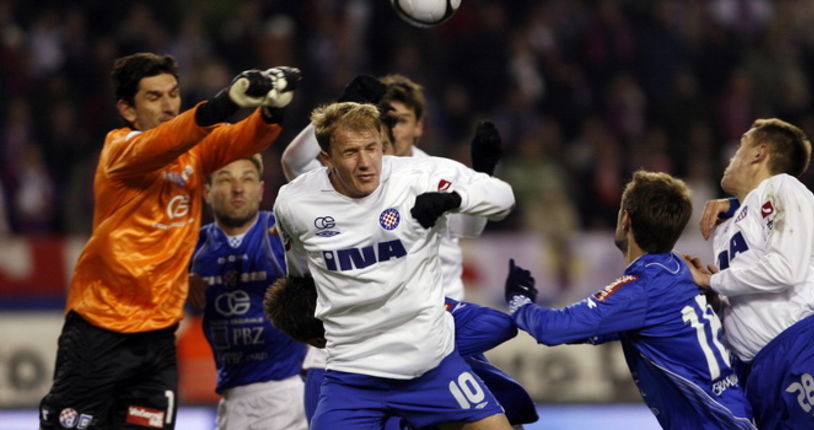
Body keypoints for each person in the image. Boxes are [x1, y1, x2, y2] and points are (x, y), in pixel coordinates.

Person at [38, 52, 300, 430]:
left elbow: (242, 139)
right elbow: (167, 140)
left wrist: (272, 111)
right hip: (100, 330)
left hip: (158, 341)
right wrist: (224, 104)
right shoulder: (120, 150)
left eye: (173, 94)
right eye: (154, 97)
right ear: (127, 109)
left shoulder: (194, 149)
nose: (168, 105)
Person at [273, 102, 515, 429]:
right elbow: (300, 273)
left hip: (430, 367)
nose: (365, 163)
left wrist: (453, 200)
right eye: (350, 153)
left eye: (372, 148)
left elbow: (502, 197)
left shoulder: (418, 176)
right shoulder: (294, 203)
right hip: (351, 376)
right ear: (325, 157)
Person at [505, 170, 756, 429]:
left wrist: (518, 298)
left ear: (625, 219)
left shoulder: (644, 289)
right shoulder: (676, 271)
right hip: (731, 417)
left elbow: (551, 329)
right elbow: (599, 327)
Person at [685, 118, 814, 429]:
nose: (731, 157)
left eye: (740, 147)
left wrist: (712, 280)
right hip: (757, 373)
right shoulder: (725, 227)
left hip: (803, 344)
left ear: (758, 153)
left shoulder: (781, 187)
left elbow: (786, 267)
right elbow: (749, 291)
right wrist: (717, 297)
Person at [263, 276, 539, 428]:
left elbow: (498, 325)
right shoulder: (326, 385)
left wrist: (425, 349)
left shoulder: (405, 306)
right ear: (319, 341)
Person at [188, 155, 308, 429]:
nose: (238, 188)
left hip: (286, 392)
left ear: (261, 190)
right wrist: (178, 282)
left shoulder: (280, 234)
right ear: (207, 192)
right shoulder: (192, 248)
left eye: (247, 179)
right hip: (231, 398)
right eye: (226, 179)